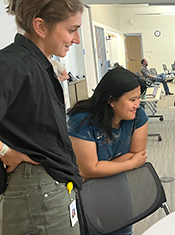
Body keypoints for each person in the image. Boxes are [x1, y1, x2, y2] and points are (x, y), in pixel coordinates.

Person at [0, 0, 84, 234]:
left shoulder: (39, 65)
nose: (76, 39)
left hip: (52, 184)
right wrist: (5, 151)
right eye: (71, 30)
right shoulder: (13, 64)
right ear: (40, 26)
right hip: (38, 189)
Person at [67, 67, 148, 235]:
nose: (137, 104)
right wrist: (130, 163)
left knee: (122, 231)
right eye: (132, 99)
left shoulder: (138, 116)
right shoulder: (82, 121)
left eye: (139, 98)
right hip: (82, 188)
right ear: (111, 100)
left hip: (116, 182)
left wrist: (98, 168)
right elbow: (89, 170)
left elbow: (137, 154)